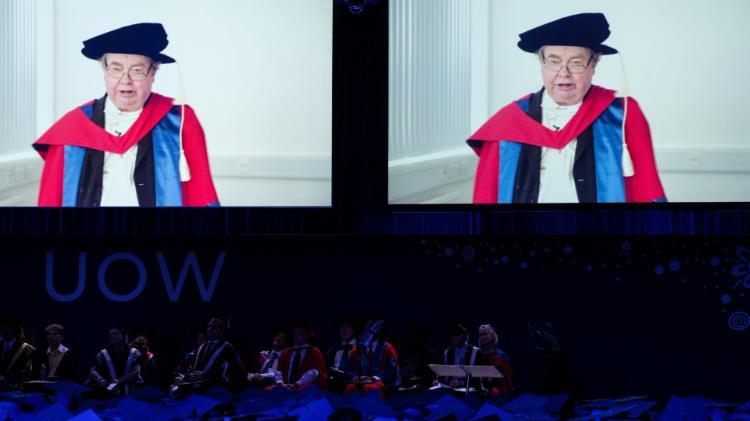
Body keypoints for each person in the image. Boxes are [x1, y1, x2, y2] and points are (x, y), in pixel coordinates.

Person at [468, 13, 665, 204]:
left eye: (576, 63)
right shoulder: (509, 122)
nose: (564, 73)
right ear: (542, 64)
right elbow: (487, 194)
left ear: (593, 64)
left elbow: (647, 188)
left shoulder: (622, 114)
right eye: (554, 62)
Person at [33, 22, 219, 207]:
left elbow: (201, 192)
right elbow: (52, 197)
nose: (125, 80)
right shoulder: (74, 127)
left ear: (153, 73)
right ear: (105, 71)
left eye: (137, 71)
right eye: (116, 69)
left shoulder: (179, 121)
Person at [171, 318, 243, 396]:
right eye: (209, 326)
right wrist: (186, 378)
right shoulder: (201, 347)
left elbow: (233, 372)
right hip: (196, 389)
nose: (210, 329)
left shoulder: (228, 348)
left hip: (216, 389)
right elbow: (192, 368)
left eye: (214, 327)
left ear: (221, 331)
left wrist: (206, 375)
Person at [344, 320, 399, 399]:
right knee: (350, 388)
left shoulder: (387, 348)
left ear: (378, 331)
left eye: (369, 330)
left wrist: (374, 378)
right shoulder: (357, 348)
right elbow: (349, 369)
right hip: (360, 382)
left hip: (379, 383)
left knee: (371, 389)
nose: (366, 333)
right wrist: (356, 378)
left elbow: (392, 371)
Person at [273, 322, 327, 391]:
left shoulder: (314, 351)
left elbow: (314, 371)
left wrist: (298, 384)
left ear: (306, 335)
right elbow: (279, 370)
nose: (296, 335)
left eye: (299, 333)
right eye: (294, 333)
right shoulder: (286, 352)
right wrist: (280, 383)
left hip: (306, 388)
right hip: (285, 387)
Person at [89, 328, 143, 396]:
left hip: (132, 394)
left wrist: (118, 382)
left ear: (123, 336)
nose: (114, 337)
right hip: (109, 396)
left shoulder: (134, 352)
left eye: (117, 334)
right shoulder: (102, 354)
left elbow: (136, 371)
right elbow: (93, 370)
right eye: (111, 335)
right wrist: (100, 380)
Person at [433, 323, 480, 390]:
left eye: (458, 335)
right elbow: (443, 372)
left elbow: (479, 377)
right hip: (451, 389)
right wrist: (438, 381)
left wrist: (461, 383)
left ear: (465, 336)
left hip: (469, 391)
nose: (455, 337)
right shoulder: (447, 352)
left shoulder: (475, 352)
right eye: (453, 335)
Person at [477, 324, 513, 397]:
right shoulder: (477, 354)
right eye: (481, 335)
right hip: (479, 390)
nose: (483, 337)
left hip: (498, 391)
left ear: (493, 336)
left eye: (486, 334)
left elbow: (507, 377)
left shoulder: (501, 355)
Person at [0, 318, 36, 390]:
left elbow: (28, 372)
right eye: (1, 328)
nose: (3, 331)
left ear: (14, 330)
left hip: (15, 389)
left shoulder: (27, 350)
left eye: (6, 328)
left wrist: (8, 379)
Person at [325, 318, 358, 393]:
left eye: (347, 327)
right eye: (342, 327)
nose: (344, 330)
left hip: (351, 384)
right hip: (332, 383)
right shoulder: (334, 348)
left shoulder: (360, 348)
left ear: (354, 331)